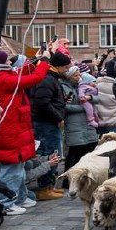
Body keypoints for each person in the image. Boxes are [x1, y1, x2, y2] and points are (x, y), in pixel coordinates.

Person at [0, 51, 50, 215]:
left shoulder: (2, 75)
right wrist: (45, 63)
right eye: (7, 59)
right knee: (12, 169)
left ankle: (19, 197)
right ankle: (6, 202)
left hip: (15, 129)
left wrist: (35, 60)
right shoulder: (1, 79)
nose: (10, 62)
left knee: (18, 166)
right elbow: (32, 79)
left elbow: (20, 72)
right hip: (9, 130)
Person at [31, 52, 72, 201]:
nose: (67, 70)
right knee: (49, 154)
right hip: (45, 124)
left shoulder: (52, 78)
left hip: (48, 122)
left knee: (53, 153)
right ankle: (44, 187)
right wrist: (58, 116)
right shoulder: (48, 79)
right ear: (59, 66)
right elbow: (42, 103)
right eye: (66, 67)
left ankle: (49, 186)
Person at [60, 66, 99, 171]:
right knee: (75, 152)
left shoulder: (84, 85)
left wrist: (90, 98)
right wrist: (83, 108)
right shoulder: (63, 88)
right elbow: (64, 106)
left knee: (89, 150)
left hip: (87, 123)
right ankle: (68, 180)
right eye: (75, 75)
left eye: (79, 75)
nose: (78, 77)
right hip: (74, 124)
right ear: (69, 76)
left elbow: (98, 98)